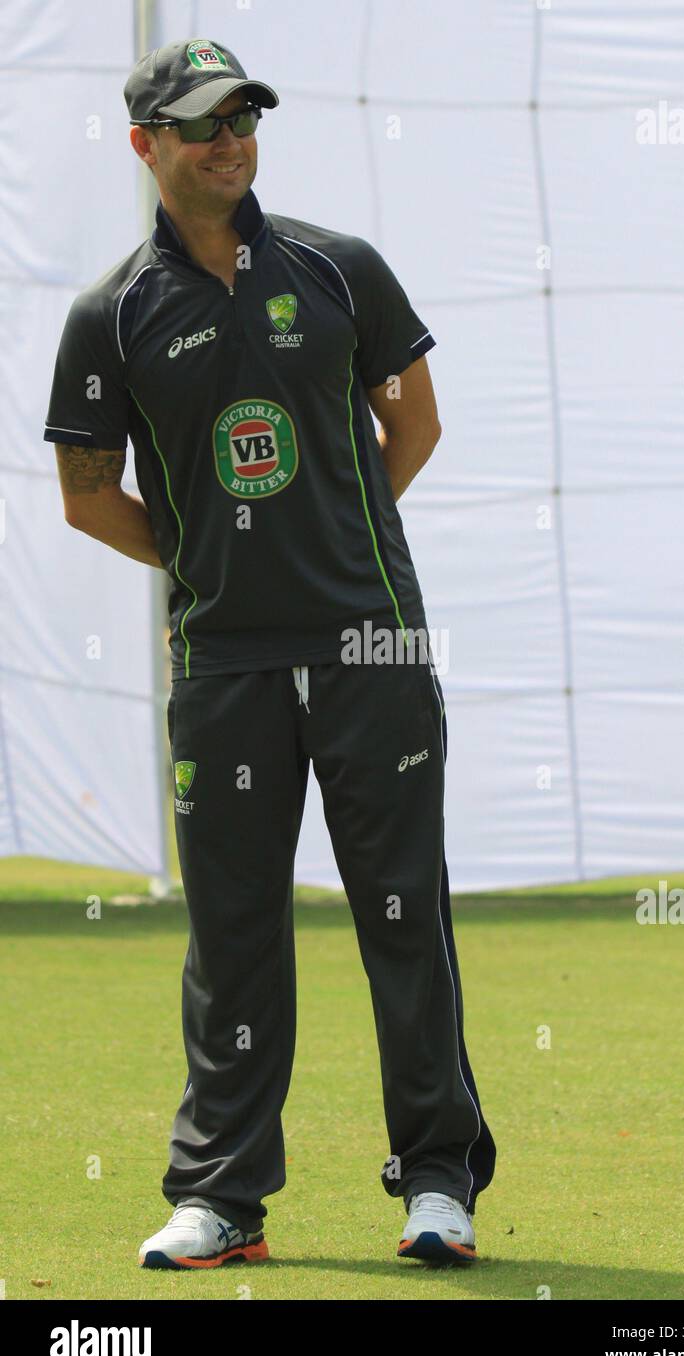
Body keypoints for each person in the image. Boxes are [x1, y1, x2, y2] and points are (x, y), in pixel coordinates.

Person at [44, 36, 495, 1270]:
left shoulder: (339, 269)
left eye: (243, 116)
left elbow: (416, 419)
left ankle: (438, 1182)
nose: (229, 139)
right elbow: (88, 494)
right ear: (147, 146)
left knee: (402, 917)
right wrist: (210, 571)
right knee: (234, 933)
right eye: (200, 124)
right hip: (225, 666)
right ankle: (223, 1199)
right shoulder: (111, 314)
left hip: (370, 650)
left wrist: (346, 547)